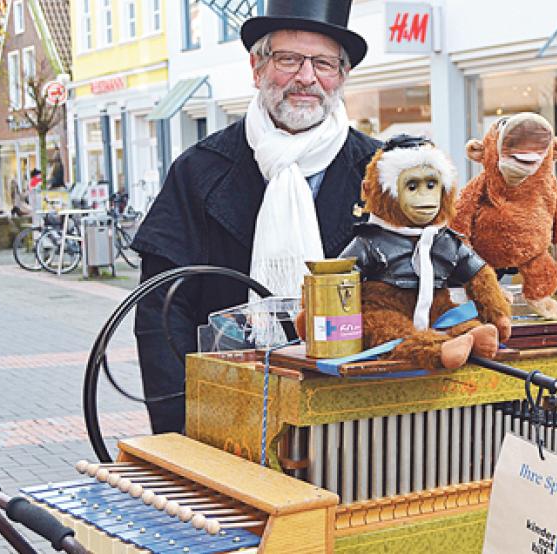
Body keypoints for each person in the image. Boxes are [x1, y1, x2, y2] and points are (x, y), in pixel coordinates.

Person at [131, 0, 380, 434]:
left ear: (341, 76)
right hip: (227, 408)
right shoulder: (199, 171)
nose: (306, 77)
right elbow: (161, 311)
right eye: (288, 59)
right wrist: (178, 427)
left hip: (355, 413)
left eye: (323, 62)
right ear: (257, 67)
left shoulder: (383, 172)